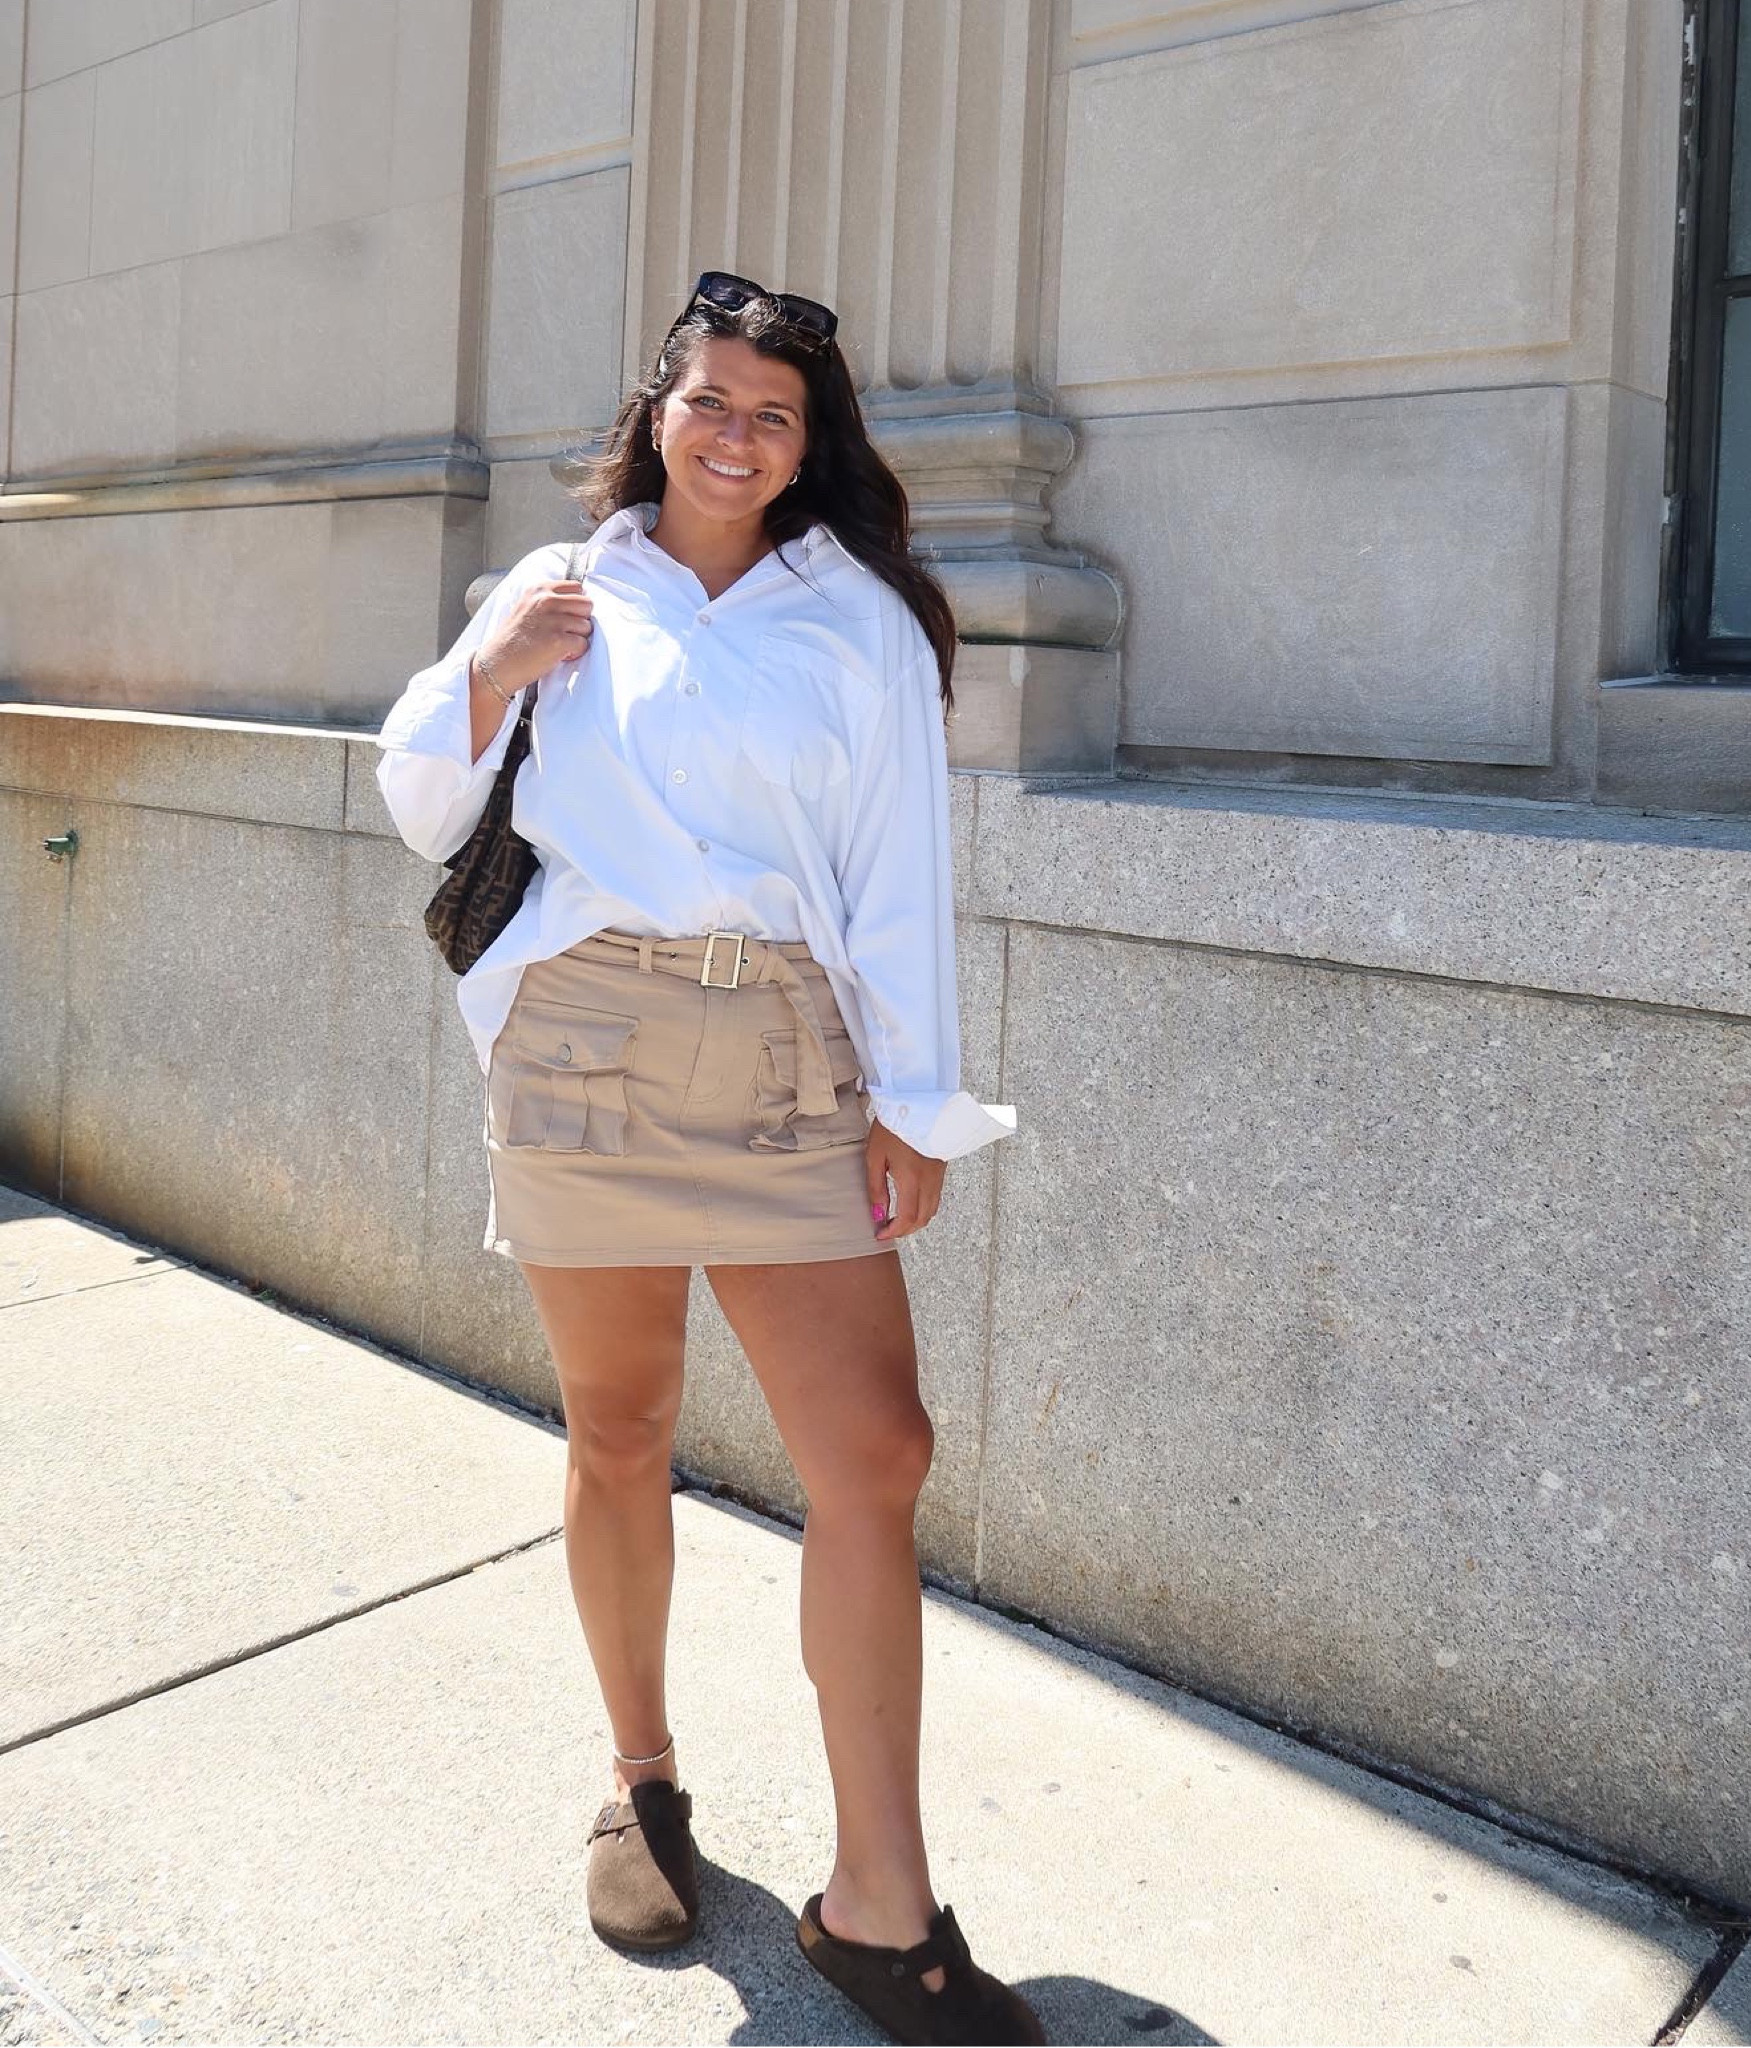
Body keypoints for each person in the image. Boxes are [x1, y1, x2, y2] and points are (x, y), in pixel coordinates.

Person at [372, 270, 1039, 2046]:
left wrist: (917, 1095)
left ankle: (878, 1904)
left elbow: (900, 864)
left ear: (808, 443)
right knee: (620, 1426)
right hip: (580, 1040)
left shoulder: (864, 616)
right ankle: (641, 1777)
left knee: (876, 1453)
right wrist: (496, 667)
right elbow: (417, 793)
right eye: (710, 402)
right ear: (654, 412)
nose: (737, 436)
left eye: (774, 413)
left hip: (788, 1054)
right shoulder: (562, 584)